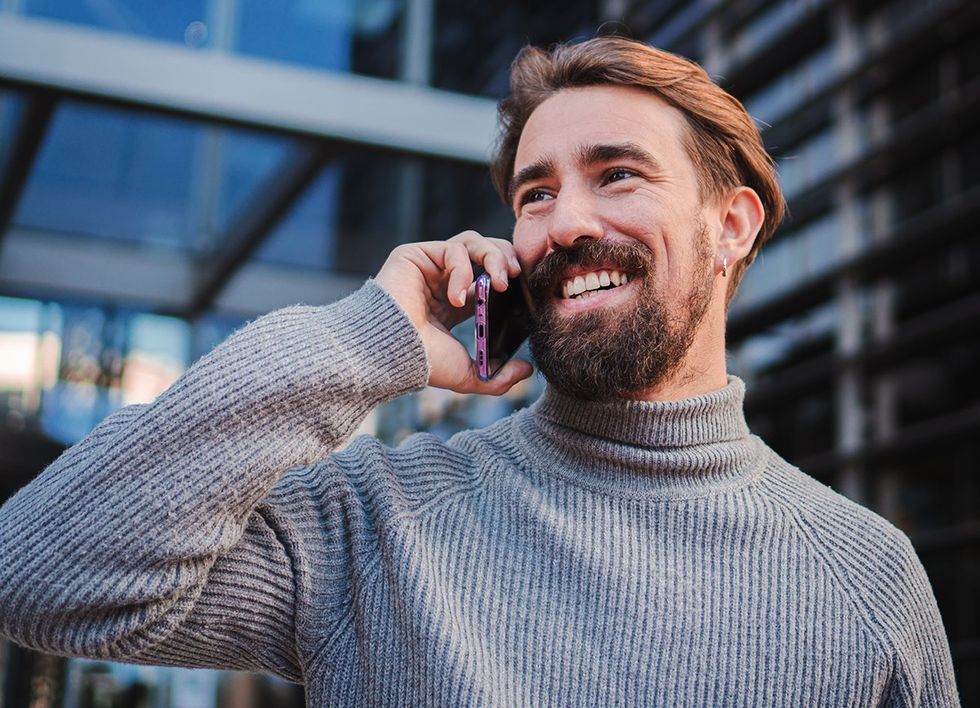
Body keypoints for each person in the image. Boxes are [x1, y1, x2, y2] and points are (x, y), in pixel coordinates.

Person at [0, 37, 959, 707]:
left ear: (732, 225)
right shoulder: (377, 521)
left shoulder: (864, 579)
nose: (566, 221)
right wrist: (364, 340)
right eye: (535, 193)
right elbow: (39, 572)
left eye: (617, 173)